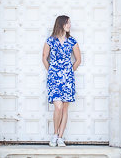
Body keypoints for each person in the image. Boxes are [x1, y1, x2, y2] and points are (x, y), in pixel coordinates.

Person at [42, 15, 82, 147]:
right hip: (54, 78)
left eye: (69, 23)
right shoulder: (50, 40)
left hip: (68, 79)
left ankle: (60, 137)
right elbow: (44, 58)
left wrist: (69, 71)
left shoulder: (72, 41)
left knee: (64, 108)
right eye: (67, 23)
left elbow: (78, 60)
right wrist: (52, 71)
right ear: (61, 24)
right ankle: (54, 134)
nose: (69, 25)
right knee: (58, 106)